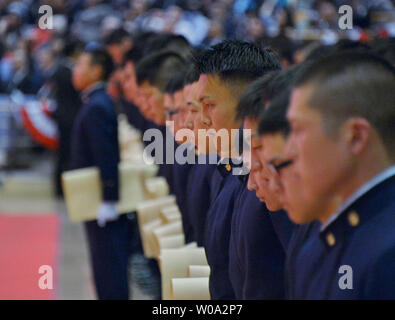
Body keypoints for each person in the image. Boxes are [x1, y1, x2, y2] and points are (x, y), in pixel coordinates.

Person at [284, 51, 395, 299]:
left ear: (355, 137)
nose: (288, 150)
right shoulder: (322, 241)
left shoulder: (388, 255)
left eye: (298, 130)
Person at [193, 40, 280, 299]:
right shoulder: (232, 169)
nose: (201, 120)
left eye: (209, 105)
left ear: (250, 103)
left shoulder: (276, 181)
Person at [70, 45, 131, 300]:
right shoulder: (95, 101)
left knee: (108, 267)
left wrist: (108, 198)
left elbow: (105, 154)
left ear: (96, 71)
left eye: (81, 65)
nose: (75, 70)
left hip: (99, 199)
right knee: (104, 264)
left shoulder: (96, 105)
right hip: (93, 195)